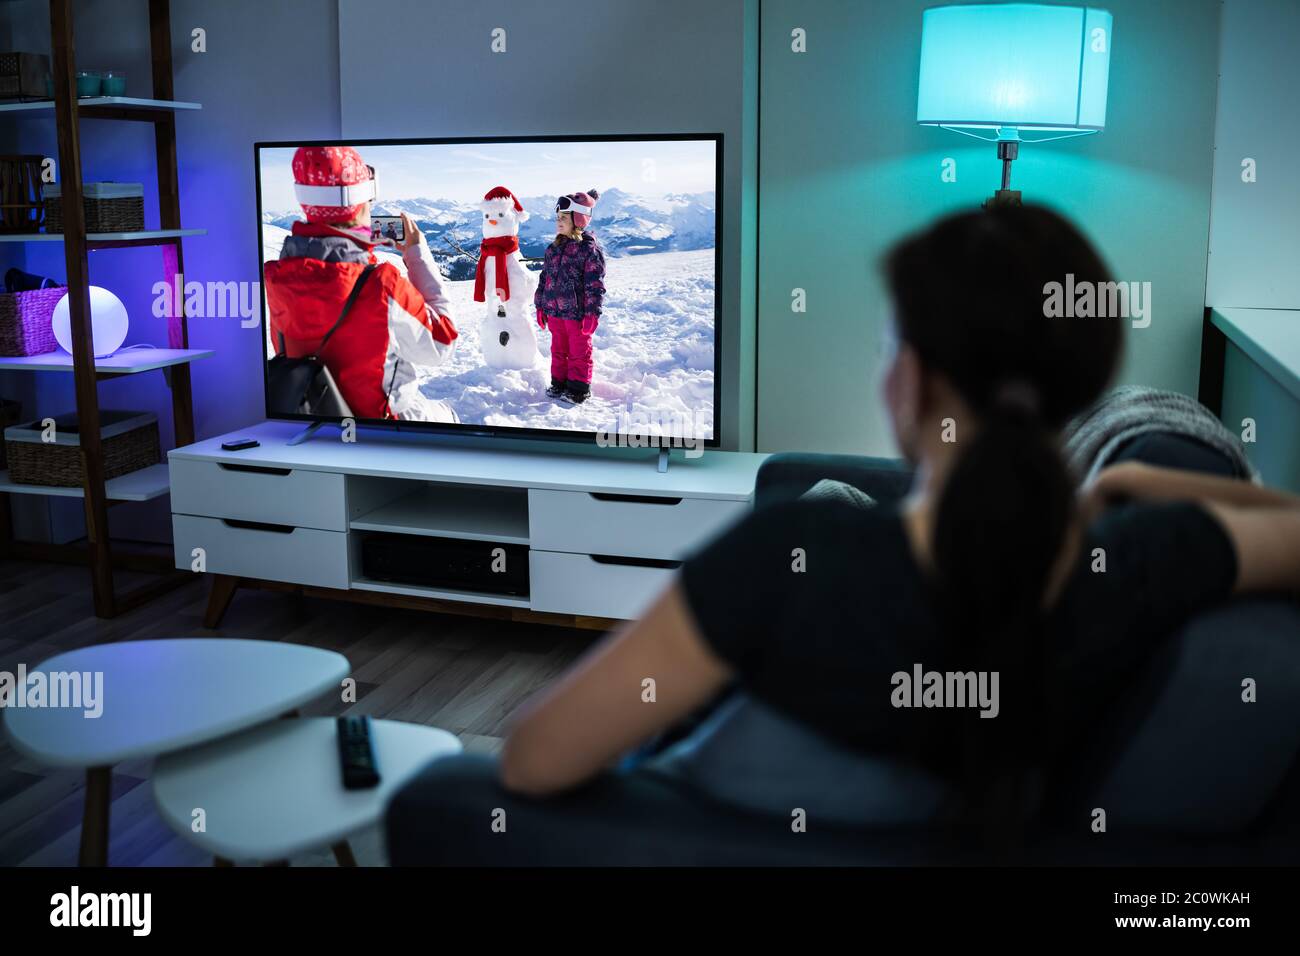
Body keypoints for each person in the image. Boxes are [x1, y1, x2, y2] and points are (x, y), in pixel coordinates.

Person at [498, 205, 1300, 843]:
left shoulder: (793, 554)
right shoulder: (1144, 563)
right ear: (1084, 384)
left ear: (909, 381)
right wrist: (1135, 481)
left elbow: (534, 762)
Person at [264, 145, 460, 422]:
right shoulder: (381, 284)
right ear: (359, 204)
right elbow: (443, 343)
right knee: (448, 416)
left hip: (315, 422)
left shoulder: (278, 278)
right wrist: (417, 257)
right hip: (381, 431)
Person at [535, 189, 606, 404]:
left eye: (564, 218)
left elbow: (595, 285)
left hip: (577, 314)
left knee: (578, 352)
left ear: (578, 220)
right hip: (555, 312)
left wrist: (592, 313)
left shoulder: (588, 250)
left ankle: (578, 388)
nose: (559, 222)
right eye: (558, 218)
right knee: (558, 350)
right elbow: (544, 278)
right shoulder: (553, 249)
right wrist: (540, 305)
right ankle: (559, 383)